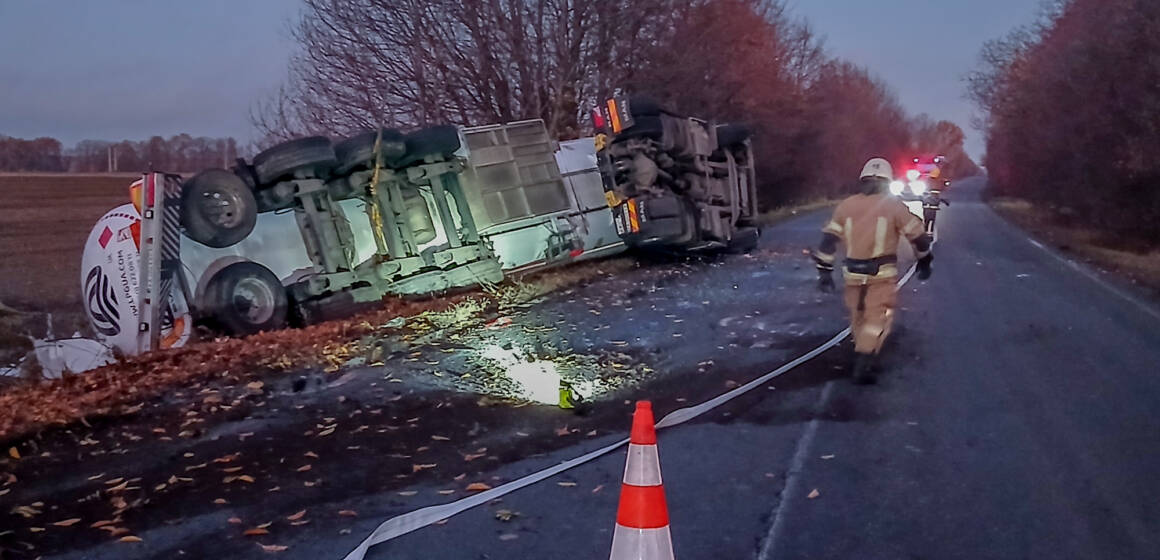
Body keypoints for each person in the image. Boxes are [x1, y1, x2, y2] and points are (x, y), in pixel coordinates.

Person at [813, 157, 934, 384]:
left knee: (858, 316)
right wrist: (925, 262)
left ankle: (864, 352)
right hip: (881, 275)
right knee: (877, 318)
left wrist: (824, 272)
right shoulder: (894, 207)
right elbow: (919, 239)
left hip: (852, 274)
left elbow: (828, 241)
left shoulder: (845, 206)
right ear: (887, 181)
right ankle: (864, 360)